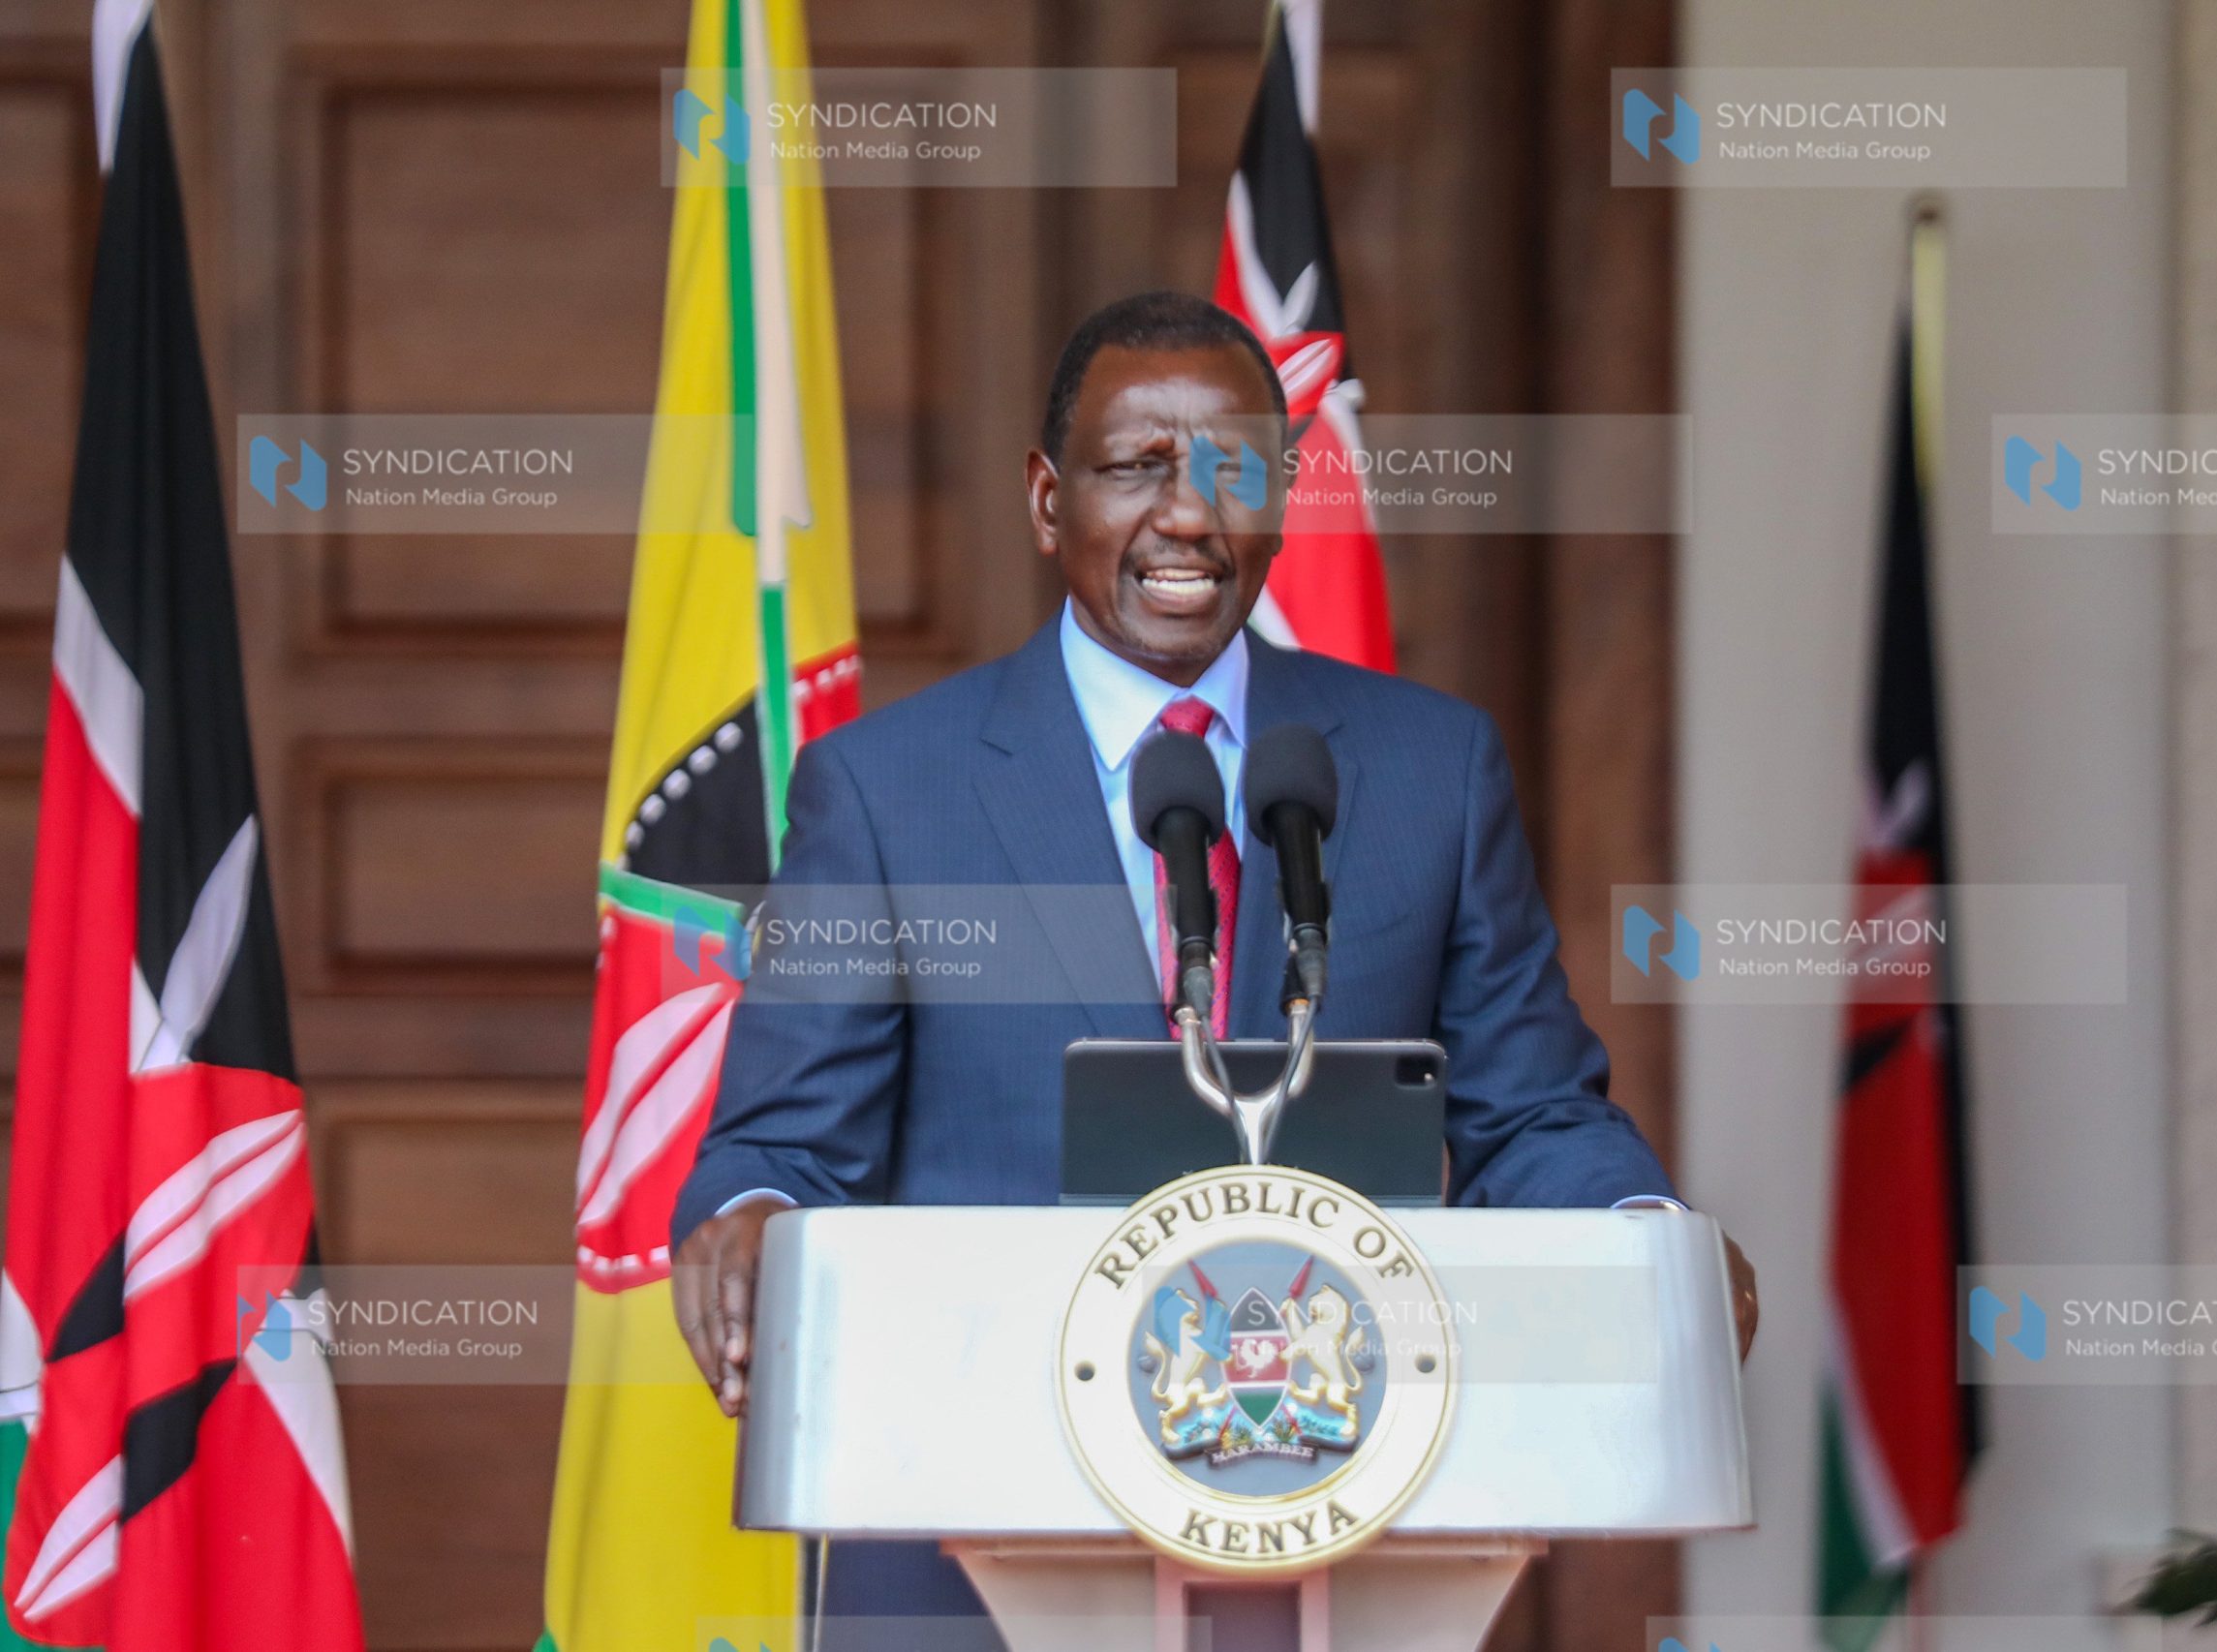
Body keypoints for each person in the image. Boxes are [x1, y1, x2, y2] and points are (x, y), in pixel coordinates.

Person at [669, 290, 1757, 1628]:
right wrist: (750, 1224)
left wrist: (1649, 1245)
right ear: (1048, 500)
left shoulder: (1431, 770)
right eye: (1136, 468)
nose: (1187, 515)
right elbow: (784, 1145)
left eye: (1233, 471)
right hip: (965, 1554)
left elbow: (1531, 1113)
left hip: (1330, 1542)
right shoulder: (889, 792)